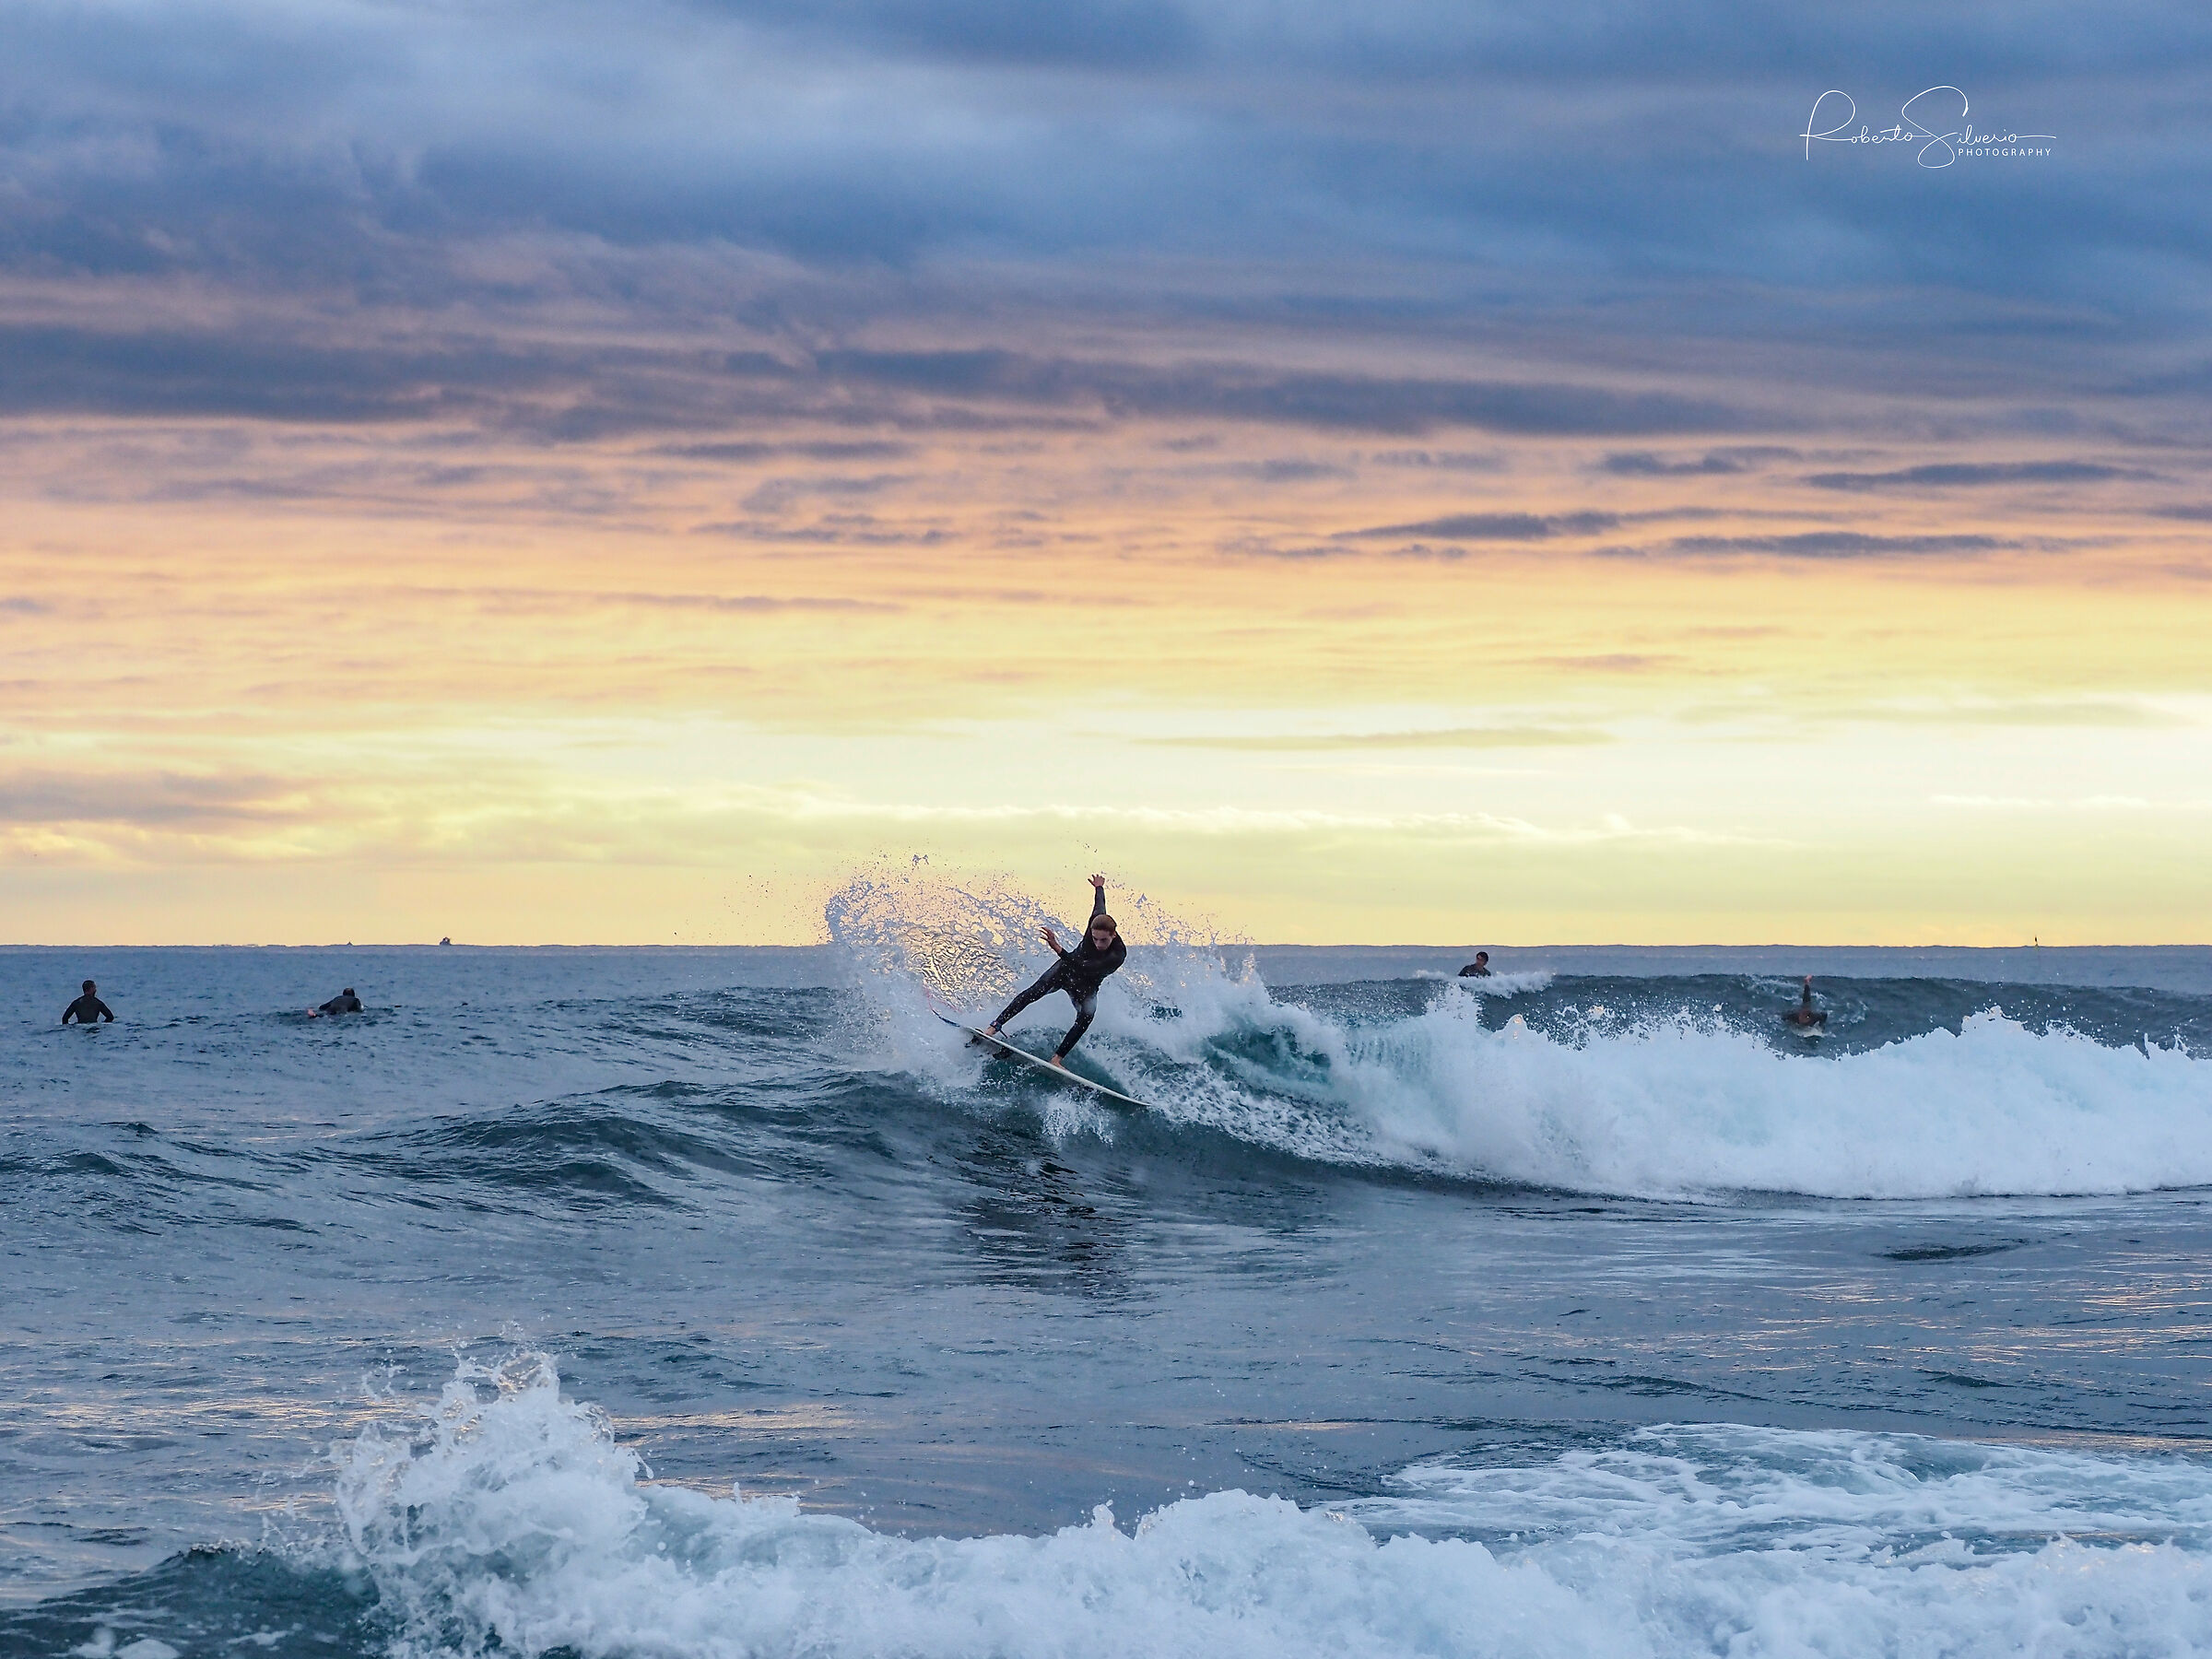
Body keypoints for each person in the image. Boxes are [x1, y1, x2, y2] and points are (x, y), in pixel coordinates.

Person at [986, 875, 1126, 1065]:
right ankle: (993, 1027)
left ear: (1113, 935)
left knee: (1086, 1018)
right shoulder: (1096, 921)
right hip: (1065, 969)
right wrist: (1099, 887)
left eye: (1104, 940)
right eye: (1095, 938)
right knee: (1034, 992)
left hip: (1087, 983)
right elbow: (1100, 905)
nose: (1098, 944)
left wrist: (1058, 949)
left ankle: (1056, 1059)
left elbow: (1085, 967)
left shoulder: (1118, 955)